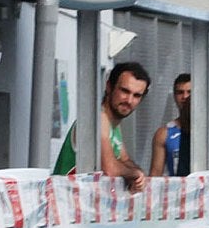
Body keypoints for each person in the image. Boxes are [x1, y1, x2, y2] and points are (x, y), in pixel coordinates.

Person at [55, 62, 149, 190]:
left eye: (136, 95)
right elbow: (111, 168)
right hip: (65, 204)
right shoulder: (99, 119)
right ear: (109, 86)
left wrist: (139, 174)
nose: (129, 100)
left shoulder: (114, 125)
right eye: (124, 91)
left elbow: (125, 160)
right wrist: (136, 174)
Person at [149, 73, 193, 179]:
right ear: (174, 96)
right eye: (180, 92)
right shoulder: (164, 133)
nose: (185, 97)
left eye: (190, 92)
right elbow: (155, 176)